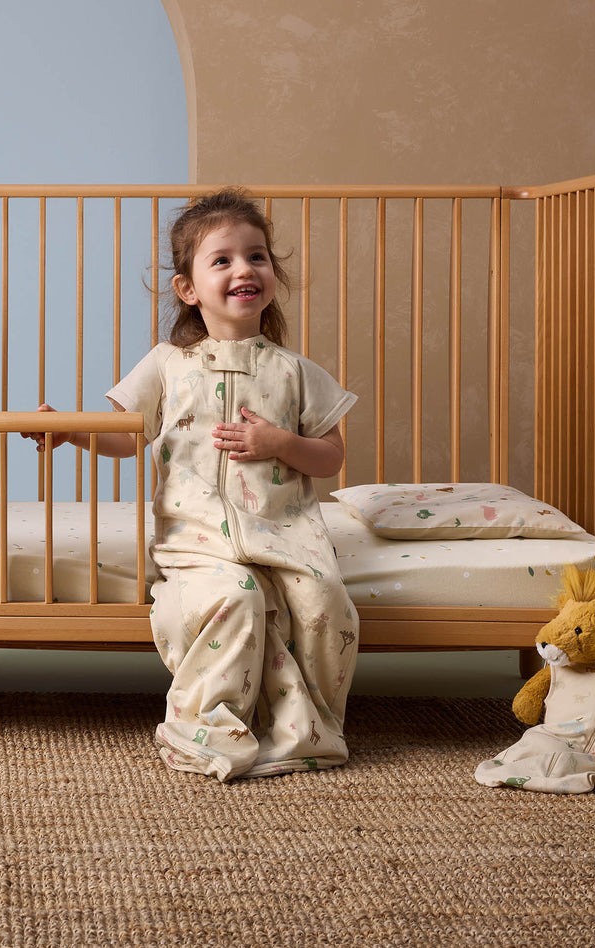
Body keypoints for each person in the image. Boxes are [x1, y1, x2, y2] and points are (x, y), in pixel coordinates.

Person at [22, 189, 359, 781]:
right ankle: (204, 722)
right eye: (222, 260)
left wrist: (282, 445)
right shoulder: (167, 364)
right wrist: (71, 431)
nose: (244, 270)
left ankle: (311, 726)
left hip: (284, 530)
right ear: (189, 288)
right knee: (237, 597)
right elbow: (128, 435)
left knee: (323, 601)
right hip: (199, 533)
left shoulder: (296, 372)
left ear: (271, 276)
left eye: (256, 257)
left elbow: (331, 458)